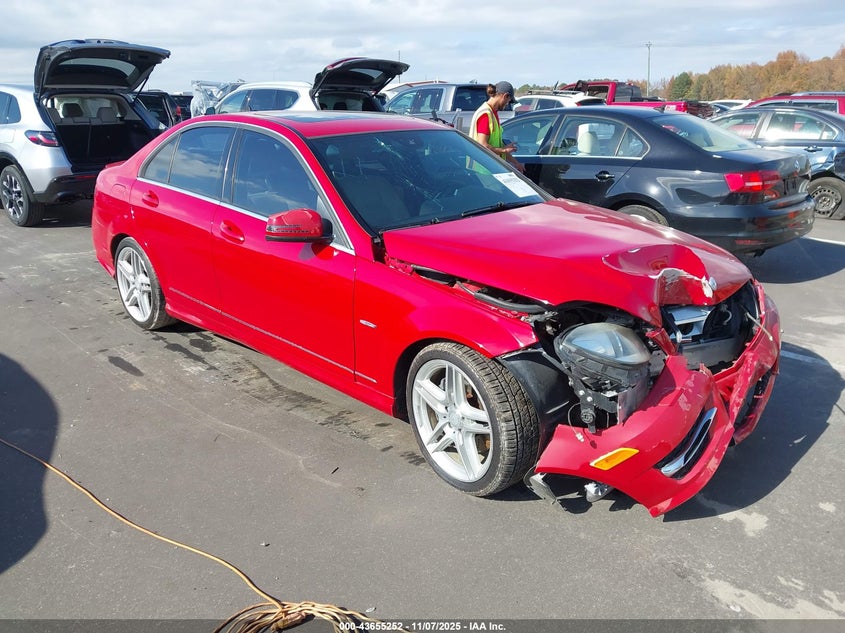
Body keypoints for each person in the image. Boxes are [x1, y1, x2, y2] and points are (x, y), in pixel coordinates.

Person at [467, 81, 524, 172]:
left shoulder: (493, 113)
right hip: (481, 169)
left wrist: (516, 163)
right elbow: (482, 145)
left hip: (488, 167)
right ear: (505, 96)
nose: (507, 104)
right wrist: (503, 150)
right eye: (509, 101)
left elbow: (497, 145)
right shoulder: (486, 114)